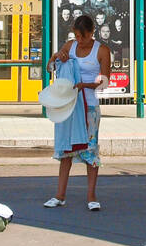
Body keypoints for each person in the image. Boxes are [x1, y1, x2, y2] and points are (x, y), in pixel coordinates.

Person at [44, 15, 112, 211]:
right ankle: (60, 195)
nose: (79, 40)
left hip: (89, 105)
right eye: (76, 36)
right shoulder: (70, 45)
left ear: (92, 33)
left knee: (90, 150)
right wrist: (57, 56)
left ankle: (91, 196)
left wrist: (86, 85)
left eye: (83, 36)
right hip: (69, 105)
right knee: (66, 150)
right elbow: (50, 67)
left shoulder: (101, 50)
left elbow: (104, 82)